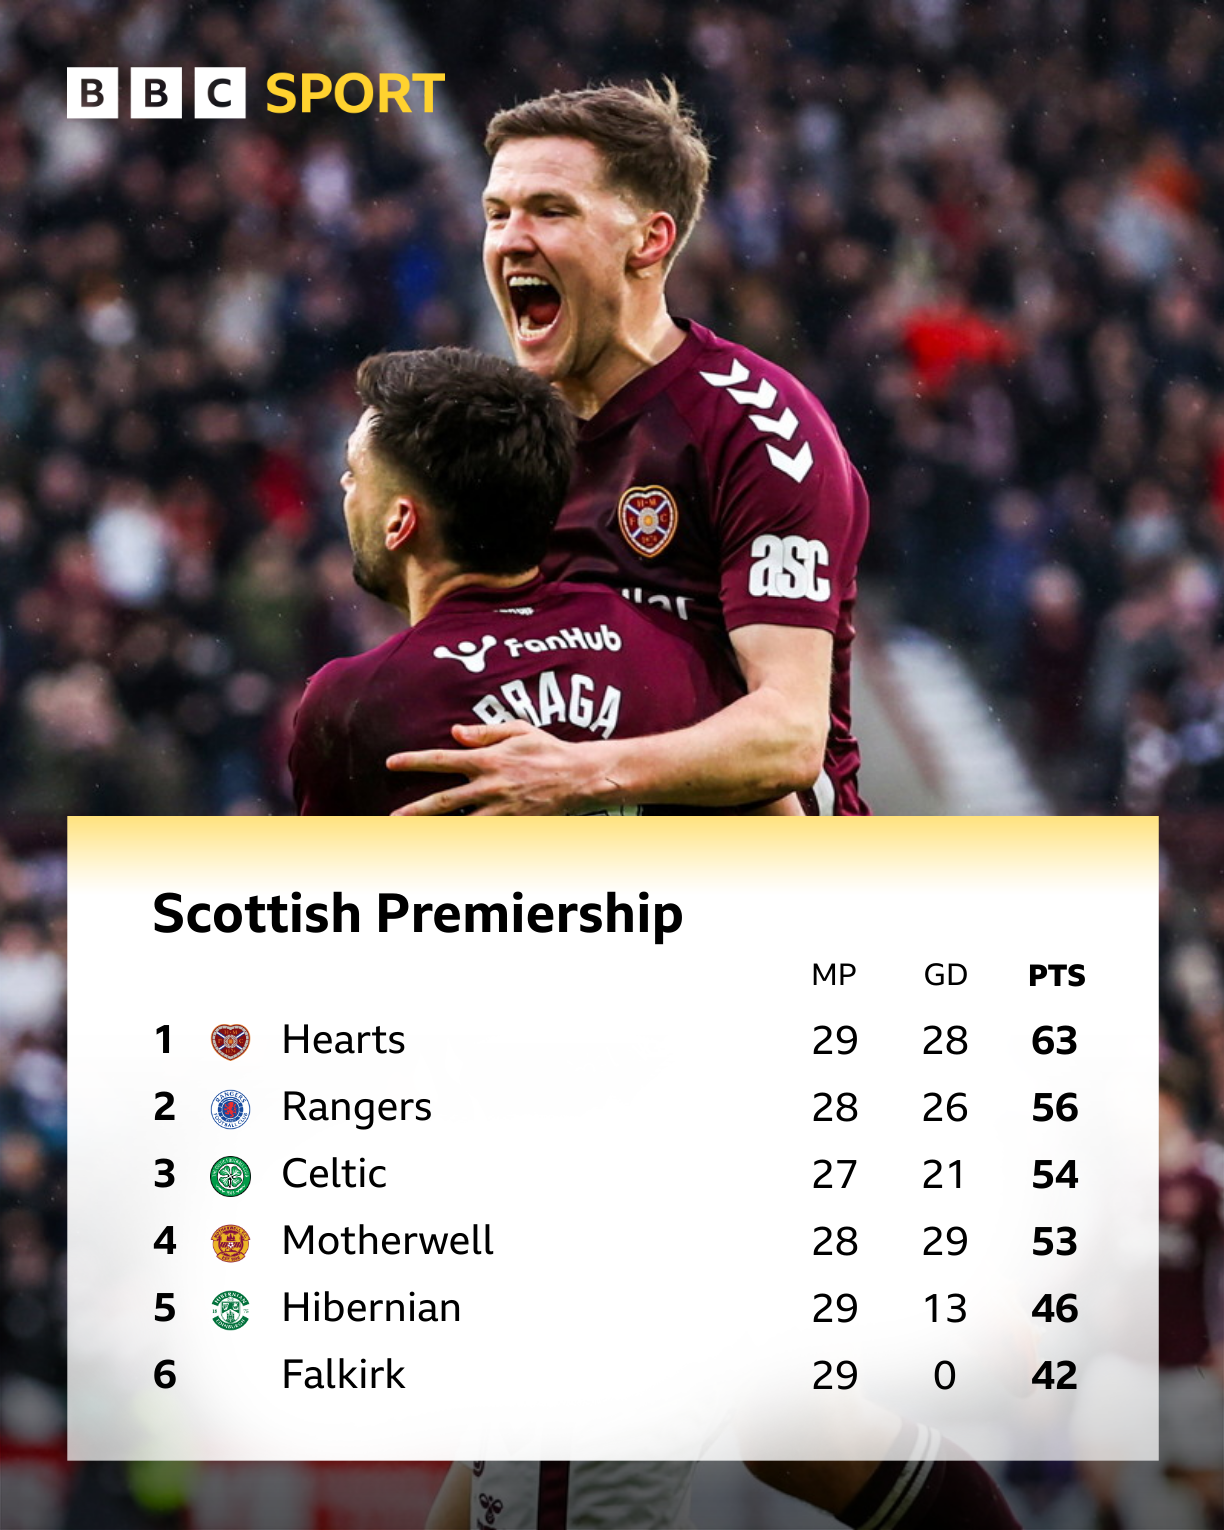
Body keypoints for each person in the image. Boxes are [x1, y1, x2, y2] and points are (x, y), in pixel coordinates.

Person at [387, 81, 869, 817]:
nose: (511, 239)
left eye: (551, 210)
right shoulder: (494, 440)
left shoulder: (757, 431)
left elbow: (787, 737)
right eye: (497, 214)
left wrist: (575, 775)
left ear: (649, 241)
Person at [290, 347, 773, 815]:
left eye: (354, 473)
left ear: (400, 522)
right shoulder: (676, 653)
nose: (345, 485)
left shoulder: (356, 704)